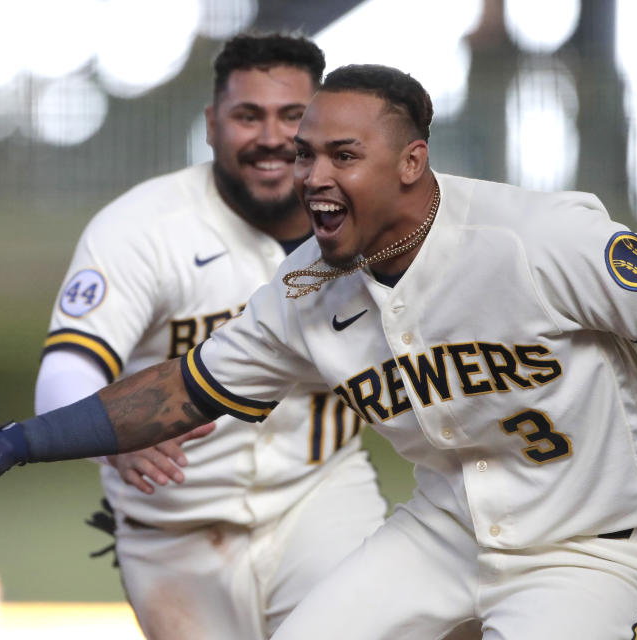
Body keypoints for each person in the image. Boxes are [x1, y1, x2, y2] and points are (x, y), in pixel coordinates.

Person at [0, 64, 637, 639]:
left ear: (412, 162)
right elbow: (181, 392)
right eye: (305, 155)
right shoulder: (305, 291)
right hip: (446, 532)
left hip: (595, 546)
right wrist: (10, 443)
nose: (312, 177)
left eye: (341, 155)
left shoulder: (543, 237)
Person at [32, 34, 387, 639]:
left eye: (293, 116)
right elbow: (65, 371)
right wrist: (110, 431)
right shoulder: (143, 225)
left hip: (321, 497)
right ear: (212, 125)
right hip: (171, 530)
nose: (272, 137)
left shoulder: (376, 223)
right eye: (248, 115)